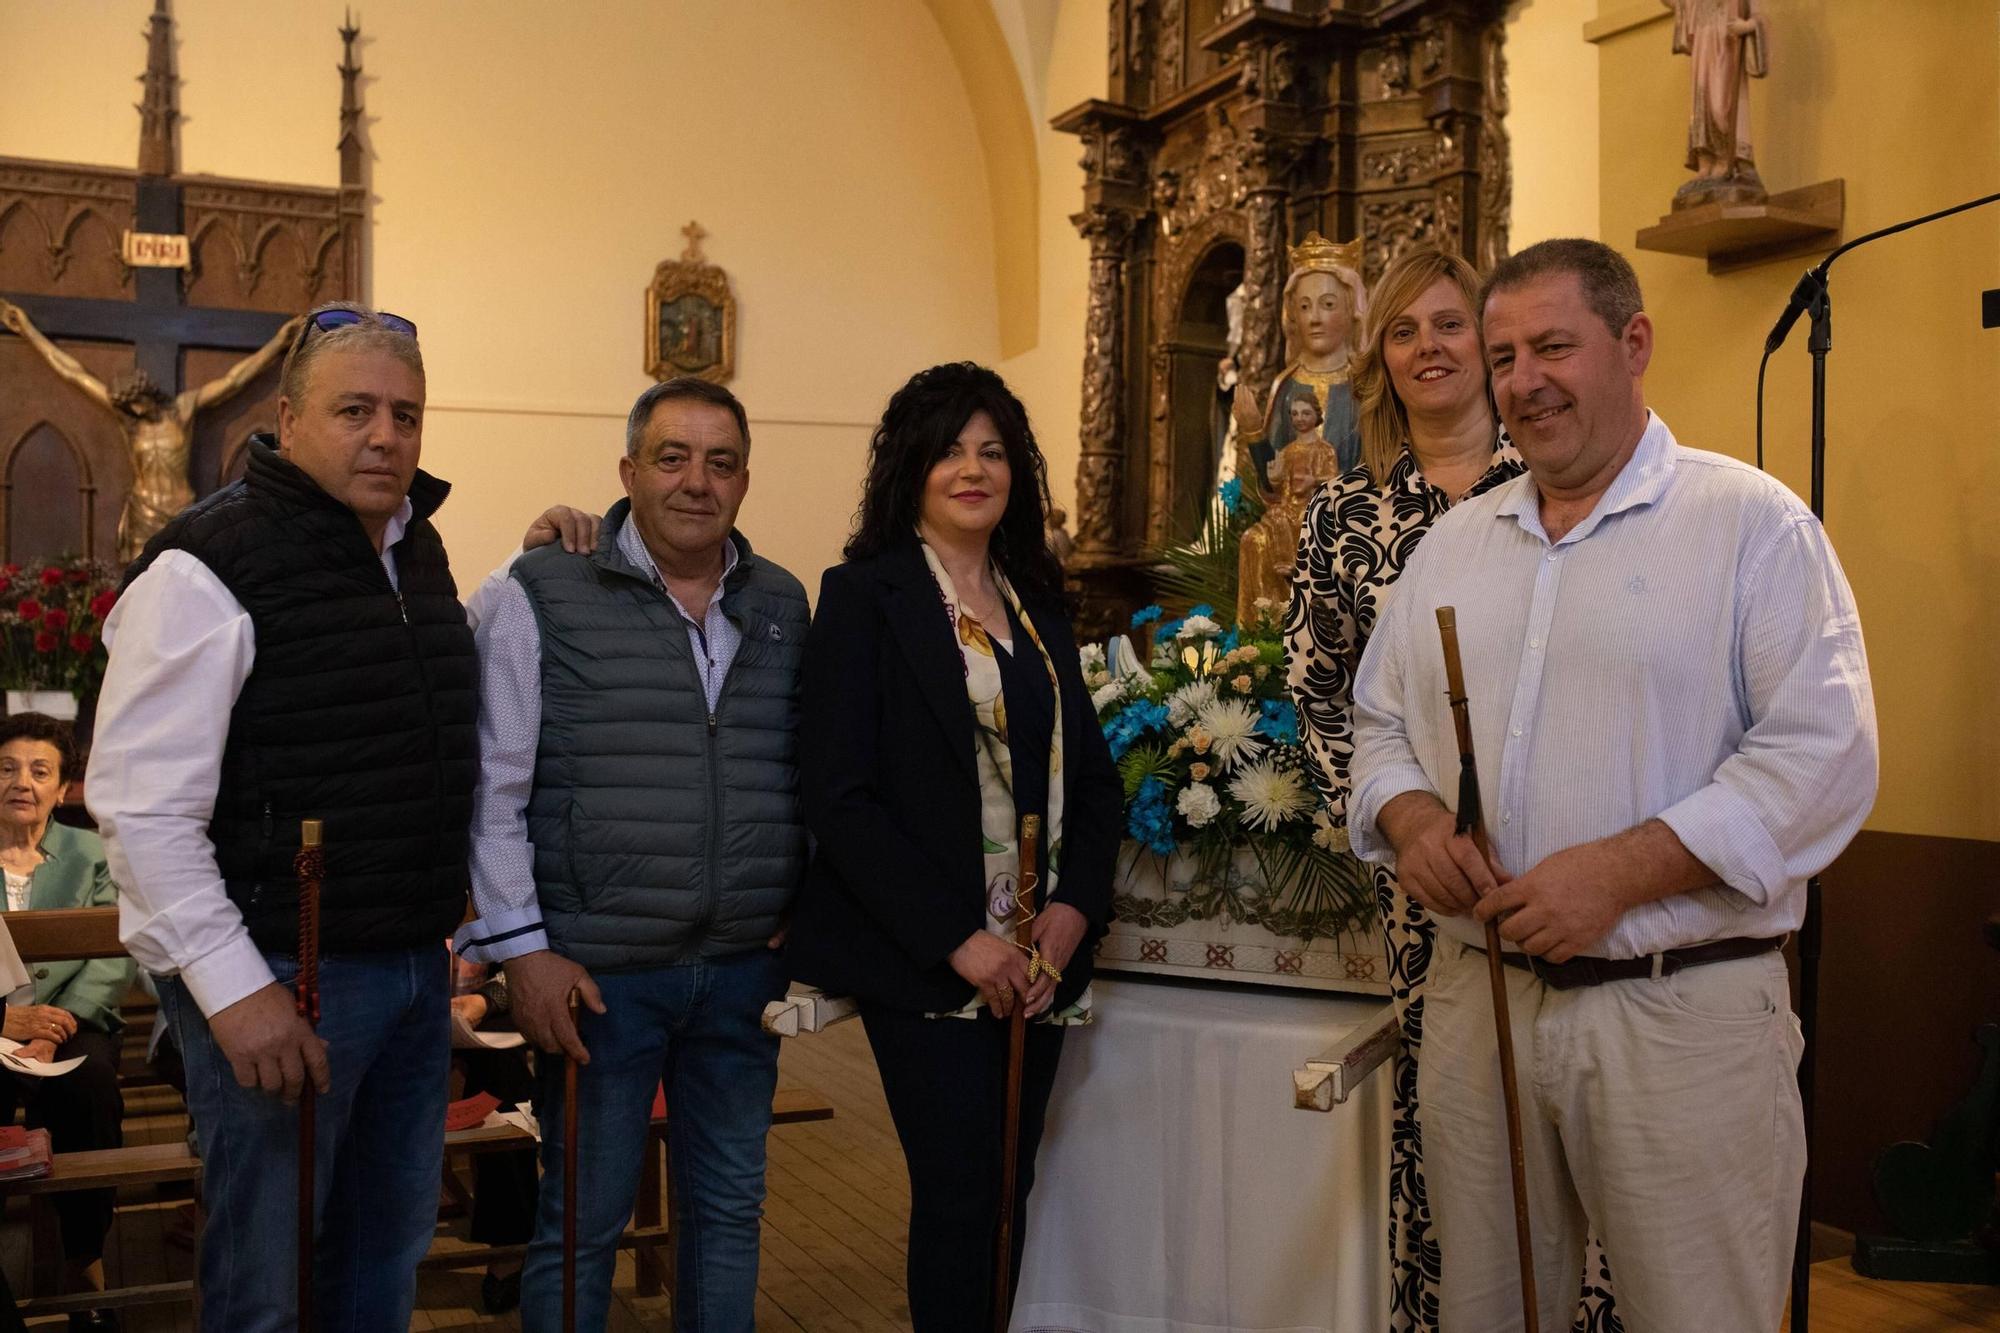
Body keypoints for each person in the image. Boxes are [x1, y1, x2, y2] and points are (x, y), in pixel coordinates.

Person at [1348, 238, 1877, 1331]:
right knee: (1492, 1312)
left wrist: (1620, 872)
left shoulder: (1746, 525)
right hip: (1478, 1000)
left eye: (1551, 345)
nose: (1521, 379)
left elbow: (1820, 754)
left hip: (1676, 1008)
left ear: (1631, 344)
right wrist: (1409, 822)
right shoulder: (1450, 549)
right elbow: (1380, 727)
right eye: (1502, 355)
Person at [87, 302, 480, 1333]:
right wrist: (233, 994)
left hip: (405, 968)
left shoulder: (416, 551)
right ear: (287, 415)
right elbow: (140, 810)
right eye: (355, 409)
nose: (385, 436)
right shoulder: (206, 564)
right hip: (280, 977)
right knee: (267, 1284)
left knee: (377, 1266)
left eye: (406, 414)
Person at [453, 375, 808, 1333]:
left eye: (721, 461)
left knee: (729, 1214)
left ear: (744, 480)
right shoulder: (543, 590)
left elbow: (807, 764)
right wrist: (523, 950)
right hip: (600, 978)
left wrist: (802, 891)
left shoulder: (781, 601)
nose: (698, 481)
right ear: (628, 471)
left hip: (742, 973)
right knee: (582, 1225)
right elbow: (494, 788)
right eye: (673, 457)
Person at [785, 362, 1122, 1331]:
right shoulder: (864, 596)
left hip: (1041, 961)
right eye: (948, 451)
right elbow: (839, 798)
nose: (971, 469)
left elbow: (1093, 783)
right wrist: (959, 941)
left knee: (1009, 1192)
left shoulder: (1033, 599)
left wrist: (1072, 909)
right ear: (911, 469)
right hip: (933, 962)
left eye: (991, 450)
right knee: (959, 1196)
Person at [1283, 246, 1529, 1333]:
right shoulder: (1342, 517)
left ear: (1488, 343)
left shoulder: (1553, 485)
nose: (1427, 346)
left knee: (1570, 1112)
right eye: (1403, 331)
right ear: (1379, 359)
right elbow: (1317, 689)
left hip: (1557, 852)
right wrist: (1399, 822)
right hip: (1419, 881)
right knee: (1449, 1125)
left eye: (1448, 323)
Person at [0, 712, 134, 1330]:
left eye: (38, 770)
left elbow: (114, 955)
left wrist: (56, 1024)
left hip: (72, 1025)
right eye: (5, 768)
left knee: (89, 1090)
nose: (20, 782)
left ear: (62, 787)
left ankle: (85, 1257)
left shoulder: (91, 851)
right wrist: (7, 1022)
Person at [0, 297, 304, 560]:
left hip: (181, 509)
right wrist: (26, 329)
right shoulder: (129, 422)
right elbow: (73, 373)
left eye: (139, 404)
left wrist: (279, 342)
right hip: (143, 515)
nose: (136, 411)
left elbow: (234, 380)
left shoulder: (182, 411)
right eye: (130, 408)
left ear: (148, 394)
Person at [1229, 232, 1366, 488]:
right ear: (1291, 316)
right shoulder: (1287, 385)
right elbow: (1272, 484)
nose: (1314, 318)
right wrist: (1253, 430)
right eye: (1304, 307)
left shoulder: (1365, 385)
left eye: (1327, 304)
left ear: (1352, 310)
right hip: (1291, 518)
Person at [1236, 389, 1343, 625]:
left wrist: (1313, 482)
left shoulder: (1325, 450)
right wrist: (1274, 480)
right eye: (1294, 414)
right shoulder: (1287, 452)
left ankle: (1290, 569)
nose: (1300, 418)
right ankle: (1260, 620)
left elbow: (1335, 484)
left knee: (1299, 519)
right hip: (1286, 509)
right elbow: (1276, 494)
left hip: (1314, 508)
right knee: (1251, 538)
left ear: (1317, 415)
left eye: (1305, 413)